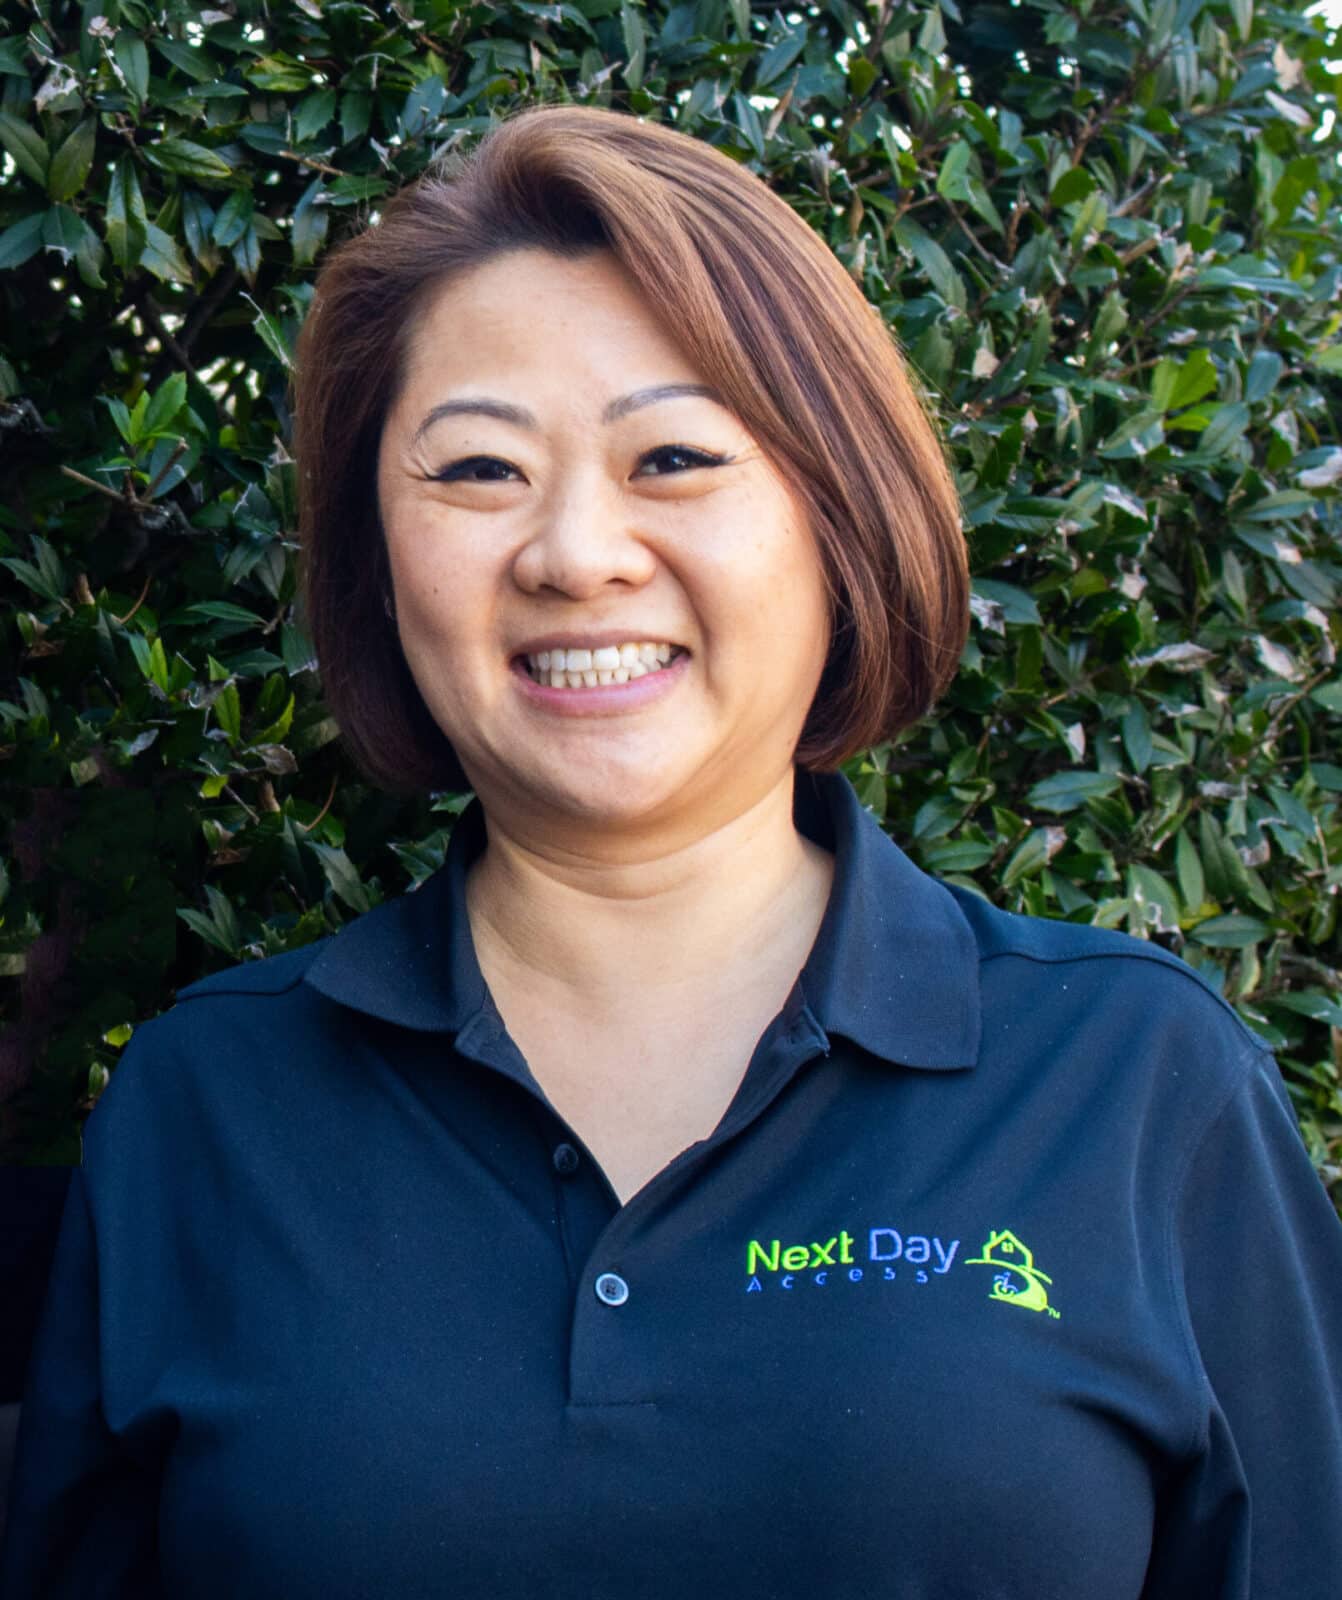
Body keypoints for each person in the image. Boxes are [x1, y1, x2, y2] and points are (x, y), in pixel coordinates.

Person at [2, 101, 1340, 1600]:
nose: (577, 553)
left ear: (840, 523)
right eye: (479, 470)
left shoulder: (1134, 1082)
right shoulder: (206, 1104)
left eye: (677, 456)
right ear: (377, 566)